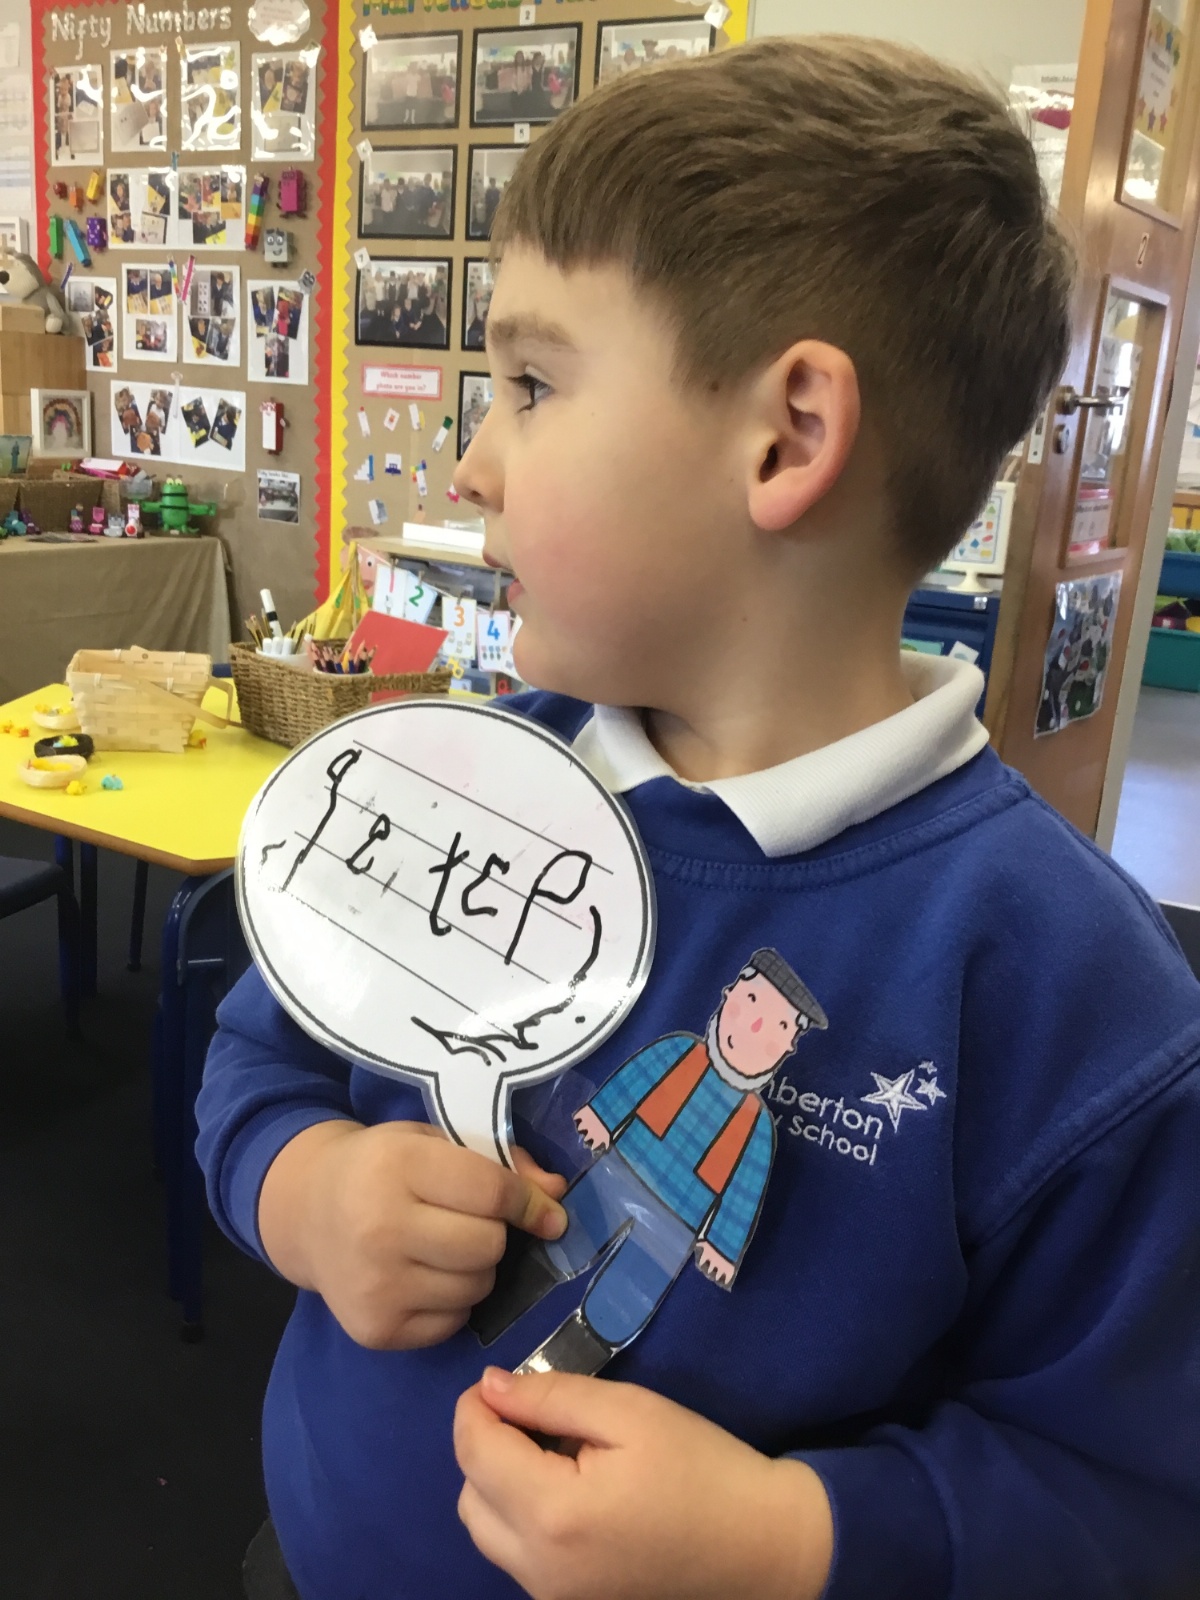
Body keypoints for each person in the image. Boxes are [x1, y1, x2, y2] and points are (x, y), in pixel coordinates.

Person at [198, 36, 1200, 1600]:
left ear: (788, 437)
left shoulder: (1075, 997)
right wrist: (305, 1189)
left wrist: (788, 1541)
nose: (471, 462)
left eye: (533, 384)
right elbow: (262, 1056)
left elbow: (1131, 1499)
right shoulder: (451, 781)